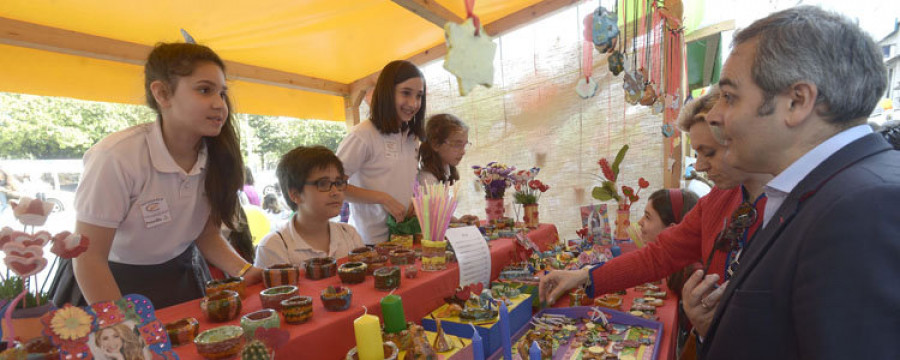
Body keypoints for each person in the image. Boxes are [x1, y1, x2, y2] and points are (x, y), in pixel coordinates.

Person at [693, 6, 900, 358]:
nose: (714, 116)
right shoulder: (824, 190)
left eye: (729, 97)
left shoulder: (862, 208)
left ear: (796, 101)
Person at [53, 42, 262, 309]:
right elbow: (90, 258)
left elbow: (206, 234)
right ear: (163, 93)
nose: (219, 104)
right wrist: (122, 327)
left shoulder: (215, 156)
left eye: (222, 93)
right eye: (204, 90)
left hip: (180, 278)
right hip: (107, 285)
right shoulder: (116, 157)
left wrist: (244, 270)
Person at [538, 88, 772, 307]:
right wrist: (584, 276)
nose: (699, 166)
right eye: (697, 153)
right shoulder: (716, 199)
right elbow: (659, 255)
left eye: (709, 152)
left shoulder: (792, 208)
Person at [336, 60, 425, 245]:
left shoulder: (411, 138)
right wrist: (382, 198)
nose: (413, 103)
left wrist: (414, 202)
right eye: (406, 93)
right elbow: (334, 187)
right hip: (370, 243)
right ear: (387, 92)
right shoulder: (362, 135)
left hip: (404, 238)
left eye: (419, 96)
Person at [254, 146, 365, 268]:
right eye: (323, 184)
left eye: (338, 183)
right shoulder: (275, 247)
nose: (335, 192)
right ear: (295, 194)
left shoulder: (349, 234)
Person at [418, 113, 469, 185]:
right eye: (457, 145)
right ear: (435, 145)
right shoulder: (428, 181)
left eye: (465, 145)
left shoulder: (445, 167)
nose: (463, 152)